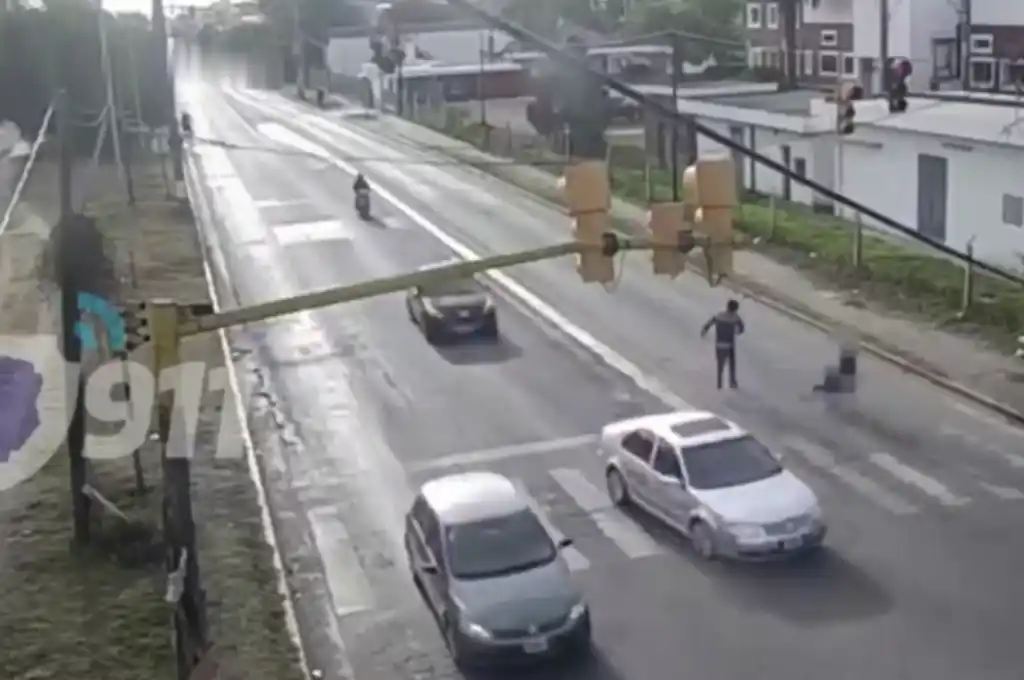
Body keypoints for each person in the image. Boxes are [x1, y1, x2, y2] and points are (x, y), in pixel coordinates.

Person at [700, 299, 745, 389]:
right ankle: (732, 382)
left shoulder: (719, 315)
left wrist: (704, 331)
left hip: (719, 344)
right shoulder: (736, 318)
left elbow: (708, 324)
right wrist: (736, 331)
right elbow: (741, 329)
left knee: (720, 365)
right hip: (730, 345)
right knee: (732, 364)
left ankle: (719, 384)